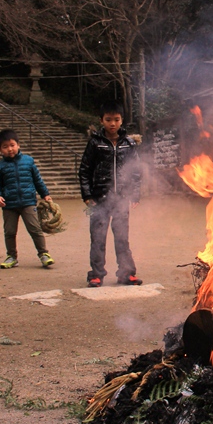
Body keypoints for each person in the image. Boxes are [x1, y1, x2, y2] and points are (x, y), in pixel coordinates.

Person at [78, 101, 143, 287]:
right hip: (99, 199)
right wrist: (87, 195)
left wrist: (135, 195)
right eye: (108, 120)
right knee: (98, 237)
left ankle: (126, 273)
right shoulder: (95, 143)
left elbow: (136, 172)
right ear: (101, 120)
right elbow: (84, 170)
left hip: (122, 198)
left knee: (122, 237)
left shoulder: (129, 144)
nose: (112, 124)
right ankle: (96, 275)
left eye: (116, 119)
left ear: (122, 120)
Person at [0, 129, 55, 269]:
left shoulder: (28, 161)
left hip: (28, 202)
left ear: (18, 145)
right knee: (10, 232)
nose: (9, 149)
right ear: (0, 149)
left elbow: (37, 180)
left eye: (12, 145)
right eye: (5, 146)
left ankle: (44, 254)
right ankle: (11, 256)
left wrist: (45, 194)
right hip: (9, 205)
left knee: (35, 229)